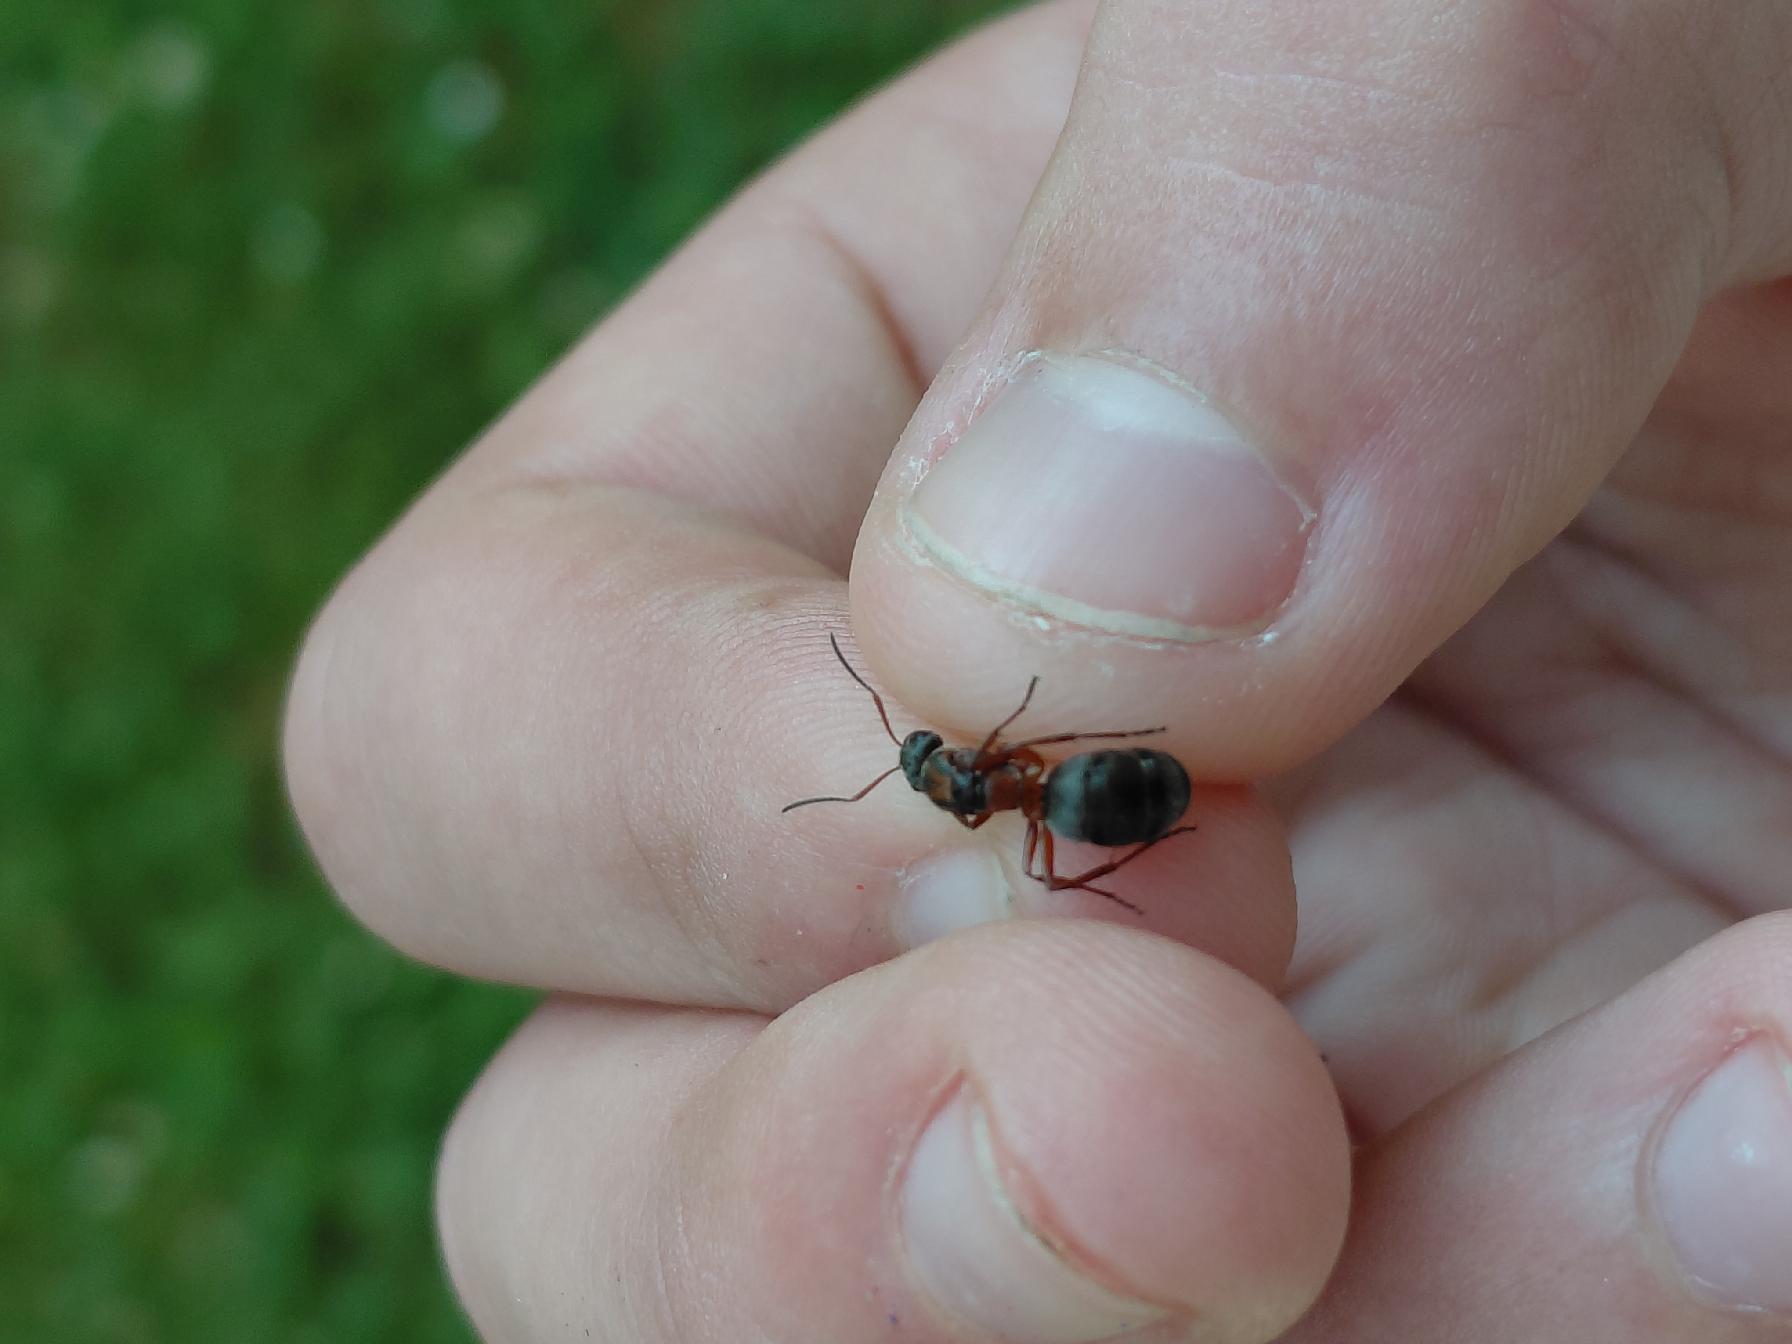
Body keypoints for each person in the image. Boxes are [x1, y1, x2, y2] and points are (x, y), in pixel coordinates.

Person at [281, 1, 1792, 1339]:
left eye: (935, 770)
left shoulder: (1007, 757)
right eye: (939, 777)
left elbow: (1021, 730)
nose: (947, 775)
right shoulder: (1016, 787)